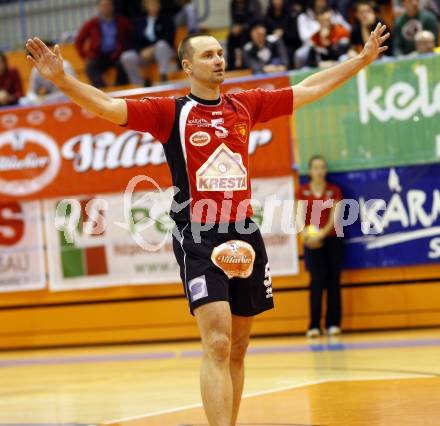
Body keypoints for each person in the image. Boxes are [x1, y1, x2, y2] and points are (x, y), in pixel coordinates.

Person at [26, 22, 389, 425]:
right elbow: (108, 107)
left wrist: (360, 61)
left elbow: (306, 90)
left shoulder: (245, 105)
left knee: (238, 346)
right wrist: (62, 79)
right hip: (197, 231)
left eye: (220, 53)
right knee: (216, 341)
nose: (219, 60)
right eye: (208, 55)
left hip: (244, 231)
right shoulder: (170, 113)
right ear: (186, 66)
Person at [296, 155, 344, 338]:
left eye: (322, 167)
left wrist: (321, 235)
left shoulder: (334, 191)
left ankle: (333, 323)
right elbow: (299, 216)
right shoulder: (303, 191)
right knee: (316, 282)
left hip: (332, 240)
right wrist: (306, 236)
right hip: (311, 242)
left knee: (333, 281)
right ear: (310, 171)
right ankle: (314, 325)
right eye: (315, 167)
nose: (319, 171)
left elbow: (335, 216)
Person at [75, 0, 132, 88]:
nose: (106, 8)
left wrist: (124, 48)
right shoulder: (92, 23)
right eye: (103, 5)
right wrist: (85, 56)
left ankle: (119, 89)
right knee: (90, 67)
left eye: (108, 5)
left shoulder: (122, 22)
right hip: (98, 55)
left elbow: (131, 36)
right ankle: (103, 91)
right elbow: (79, 41)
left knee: (124, 62)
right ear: (99, 7)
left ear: (113, 6)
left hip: (116, 55)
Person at [120, 0, 176, 85]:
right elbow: (134, 41)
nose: (153, 6)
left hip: (163, 51)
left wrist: (152, 48)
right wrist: (140, 51)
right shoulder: (139, 22)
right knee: (126, 57)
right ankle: (139, 84)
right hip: (144, 53)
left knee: (161, 45)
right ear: (145, 6)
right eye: (150, 4)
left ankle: (163, 77)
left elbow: (168, 38)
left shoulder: (166, 19)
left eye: (155, 3)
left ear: (159, 5)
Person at [295, 0, 351, 68]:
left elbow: (343, 52)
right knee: (305, 68)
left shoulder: (340, 30)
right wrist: (318, 63)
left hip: (339, 63)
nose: (326, 23)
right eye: (323, 21)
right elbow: (311, 60)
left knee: (343, 58)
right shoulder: (315, 37)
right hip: (323, 66)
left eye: (328, 20)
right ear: (318, 21)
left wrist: (328, 45)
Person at [20, 41, 76, 106]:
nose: (45, 56)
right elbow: (31, 93)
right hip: (48, 102)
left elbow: (72, 91)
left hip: (67, 99)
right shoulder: (36, 70)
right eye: (39, 54)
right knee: (23, 101)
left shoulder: (65, 65)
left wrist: (46, 99)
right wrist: (36, 99)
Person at [265, 0, 302, 69]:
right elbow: (265, 34)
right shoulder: (267, 15)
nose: (277, 1)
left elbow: (296, 36)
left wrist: (283, 33)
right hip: (271, 47)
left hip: (288, 45)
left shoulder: (290, 14)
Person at [226, 0, 263, 70]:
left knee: (244, 38)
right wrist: (234, 28)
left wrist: (242, 27)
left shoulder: (254, 3)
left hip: (251, 29)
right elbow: (233, 20)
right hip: (240, 30)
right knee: (230, 37)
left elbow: (257, 19)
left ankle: (244, 65)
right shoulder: (233, 3)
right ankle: (231, 67)